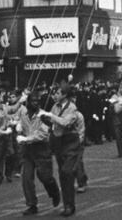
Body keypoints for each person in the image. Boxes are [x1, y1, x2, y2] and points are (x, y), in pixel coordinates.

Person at [16, 91, 61, 216]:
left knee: (45, 176)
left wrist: (26, 139)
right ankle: (31, 204)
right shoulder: (23, 114)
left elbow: (43, 134)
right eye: (33, 101)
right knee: (26, 178)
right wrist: (18, 127)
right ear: (28, 102)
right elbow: (17, 121)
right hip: (27, 150)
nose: (36, 103)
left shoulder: (43, 115)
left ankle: (54, 191)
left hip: (41, 148)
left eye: (38, 101)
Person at [45, 83, 85, 216]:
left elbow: (65, 122)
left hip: (70, 143)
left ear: (64, 95)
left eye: (57, 93)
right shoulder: (54, 106)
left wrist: (50, 116)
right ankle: (67, 203)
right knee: (62, 174)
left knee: (67, 172)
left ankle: (70, 206)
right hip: (58, 143)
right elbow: (52, 124)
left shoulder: (72, 108)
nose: (55, 95)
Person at [0, 92, 18, 184]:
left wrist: (20, 101)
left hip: (6, 135)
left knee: (11, 154)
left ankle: (8, 174)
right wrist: (4, 132)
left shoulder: (4, 107)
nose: (2, 99)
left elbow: (13, 109)